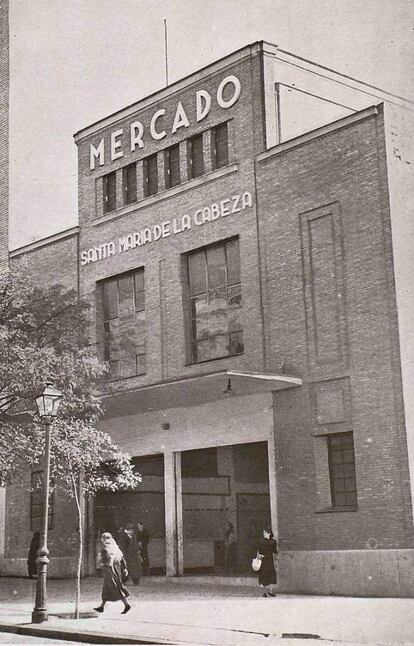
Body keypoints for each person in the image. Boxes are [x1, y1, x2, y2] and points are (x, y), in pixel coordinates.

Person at [94, 532, 131, 614]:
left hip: (109, 569)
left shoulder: (107, 545)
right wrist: (124, 568)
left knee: (114, 586)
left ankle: (126, 605)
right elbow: (121, 558)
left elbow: (107, 558)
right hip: (114, 568)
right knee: (106, 588)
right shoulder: (115, 546)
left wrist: (102, 563)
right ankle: (102, 606)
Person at [257, 528, 278, 597]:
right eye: (263, 533)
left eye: (265, 533)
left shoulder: (273, 542)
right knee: (265, 575)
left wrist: (276, 560)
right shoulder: (262, 541)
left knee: (270, 575)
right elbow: (259, 551)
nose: (263, 534)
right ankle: (265, 592)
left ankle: (270, 592)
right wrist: (259, 557)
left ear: (269, 533)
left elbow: (275, 552)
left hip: (269, 560)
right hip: (264, 560)